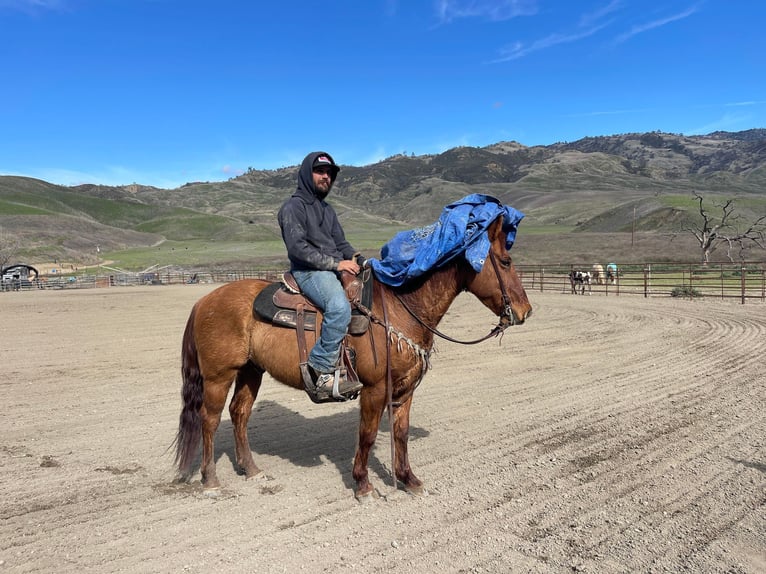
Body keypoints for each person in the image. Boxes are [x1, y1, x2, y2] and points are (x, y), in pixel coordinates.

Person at [277, 151, 364, 400]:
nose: (326, 177)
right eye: (320, 171)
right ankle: (320, 370)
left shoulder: (328, 210)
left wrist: (361, 259)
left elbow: (342, 243)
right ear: (307, 173)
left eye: (329, 173)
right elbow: (298, 249)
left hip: (331, 266)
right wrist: (337, 265)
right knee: (338, 307)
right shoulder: (293, 207)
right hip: (309, 271)